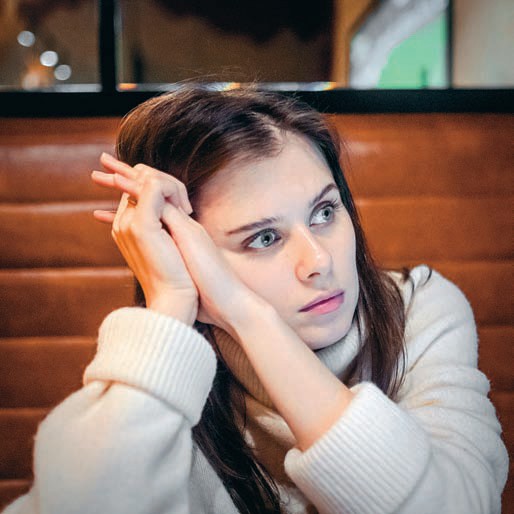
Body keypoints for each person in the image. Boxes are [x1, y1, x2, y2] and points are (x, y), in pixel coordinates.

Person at [3, 86, 508, 514]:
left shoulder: (419, 307)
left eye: (324, 212)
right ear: (184, 254)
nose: (318, 261)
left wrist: (247, 315)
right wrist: (173, 302)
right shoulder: (164, 366)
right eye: (264, 238)